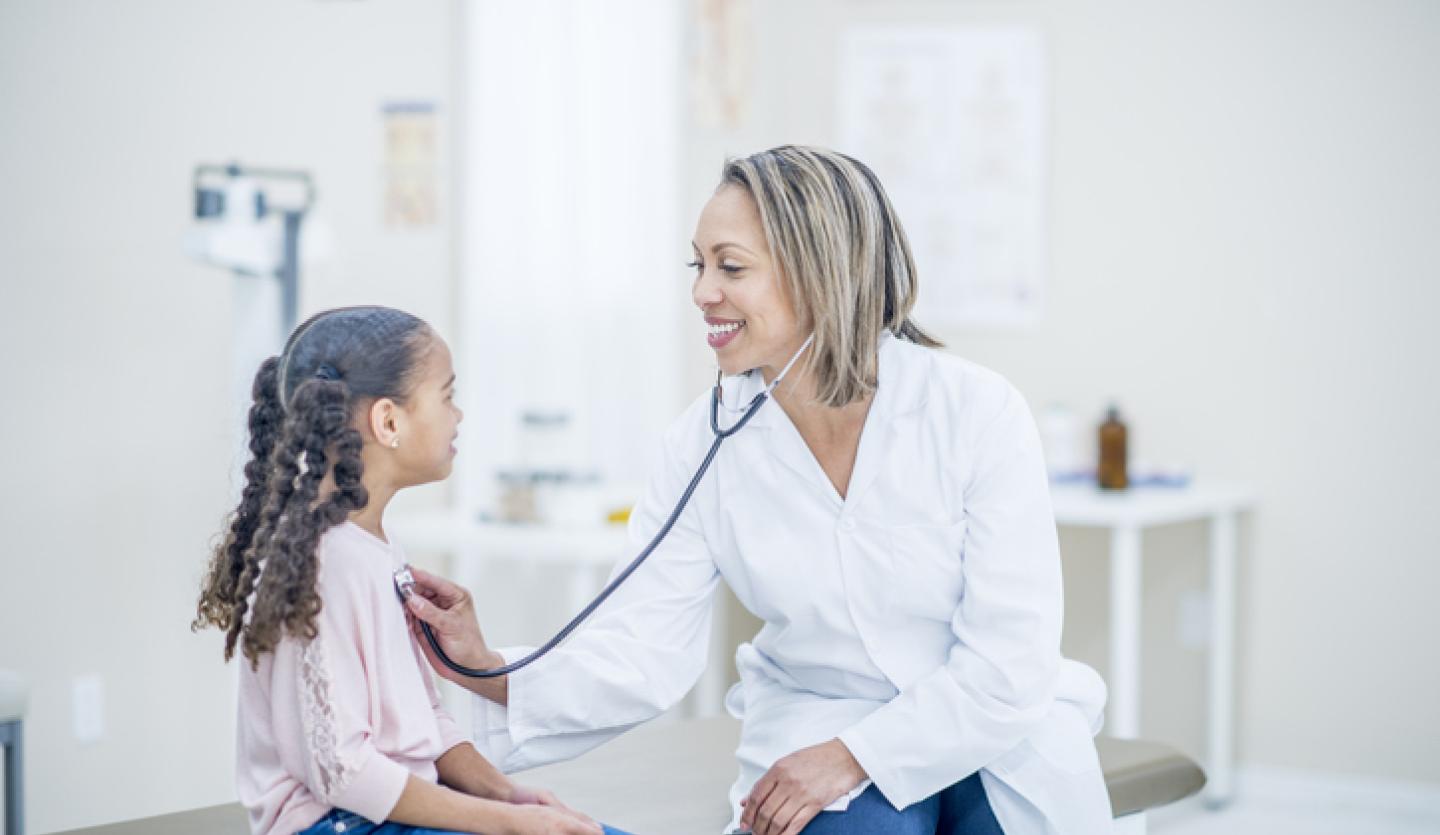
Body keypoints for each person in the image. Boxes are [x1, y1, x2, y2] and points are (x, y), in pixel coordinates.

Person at [405, 146, 1113, 835]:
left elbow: (1007, 663)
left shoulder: (975, 412)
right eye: (699, 263)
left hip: (987, 724)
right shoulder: (703, 443)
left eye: (731, 266)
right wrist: (485, 664)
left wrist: (852, 756)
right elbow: (642, 648)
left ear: (821, 274)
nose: (701, 291)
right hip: (819, 715)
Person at [194, 306, 628, 835]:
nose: (459, 415)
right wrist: (507, 824)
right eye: (447, 396)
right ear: (389, 421)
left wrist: (510, 797)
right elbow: (344, 773)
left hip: (393, 810)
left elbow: (423, 721)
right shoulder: (320, 565)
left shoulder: (373, 545)